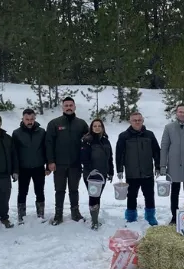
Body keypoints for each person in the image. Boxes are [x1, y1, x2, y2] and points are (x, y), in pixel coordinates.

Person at [46, 97, 89, 225]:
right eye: (66, 105)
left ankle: (75, 212)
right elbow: (49, 143)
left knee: (74, 189)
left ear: (75, 107)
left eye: (71, 105)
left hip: (75, 164)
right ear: (62, 107)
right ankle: (58, 214)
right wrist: (50, 161)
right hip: (59, 164)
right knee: (59, 190)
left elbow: (88, 141)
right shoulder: (54, 123)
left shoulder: (81, 124)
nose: (69, 107)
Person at [116, 112, 161, 226]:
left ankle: (150, 216)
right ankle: (131, 217)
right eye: (134, 120)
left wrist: (158, 166)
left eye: (139, 120)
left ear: (142, 120)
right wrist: (120, 169)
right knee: (131, 196)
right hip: (132, 173)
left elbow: (156, 152)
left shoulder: (149, 135)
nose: (137, 122)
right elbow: (119, 154)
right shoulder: (124, 136)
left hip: (147, 172)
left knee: (149, 195)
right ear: (130, 121)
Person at [12, 108, 48, 223]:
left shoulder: (42, 132)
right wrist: (15, 170)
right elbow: (14, 153)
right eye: (27, 119)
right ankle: (21, 215)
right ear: (22, 119)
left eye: (31, 119)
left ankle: (40, 214)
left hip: (38, 167)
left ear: (35, 118)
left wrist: (47, 166)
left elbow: (46, 149)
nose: (29, 121)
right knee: (22, 192)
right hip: (23, 168)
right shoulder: (16, 133)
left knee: (40, 191)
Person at [80, 119, 114, 229]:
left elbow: (110, 158)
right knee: (93, 196)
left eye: (99, 126)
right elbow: (84, 158)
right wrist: (90, 170)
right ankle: (94, 221)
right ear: (91, 127)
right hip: (91, 174)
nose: (97, 127)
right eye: (95, 126)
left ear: (103, 128)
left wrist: (111, 171)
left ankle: (95, 216)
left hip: (102, 173)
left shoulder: (106, 141)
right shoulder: (87, 140)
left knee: (98, 195)